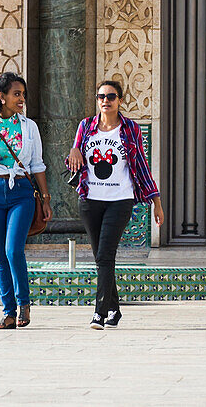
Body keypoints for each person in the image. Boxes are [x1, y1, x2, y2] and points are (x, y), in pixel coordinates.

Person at [67, 79, 164, 329]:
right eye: (101, 97)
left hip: (120, 200)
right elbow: (75, 159)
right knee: (102, 258)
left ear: (120, 100)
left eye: (111, 96)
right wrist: (73, 150)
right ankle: (114, 309)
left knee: (105, 255)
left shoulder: (130, 128)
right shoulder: (86, 126)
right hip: (90, 200)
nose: (105, 101)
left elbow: (141, 165)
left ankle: (99, 312)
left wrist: (156, 201)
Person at [0, 72, 52, 329]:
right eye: (17, 94)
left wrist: (46, 199)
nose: (22, 99)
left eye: (23, 95)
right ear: (1, 97)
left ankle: (24, 303)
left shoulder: (29, 127)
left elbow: (37, 165)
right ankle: (8, 312)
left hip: (22, 193)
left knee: (13, 250)